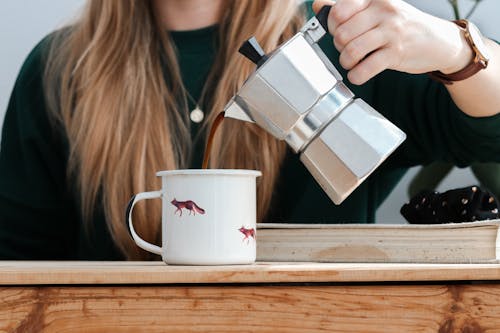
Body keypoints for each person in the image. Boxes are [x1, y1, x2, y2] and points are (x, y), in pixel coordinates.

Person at [0, 0, 499, 260]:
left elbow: (489, 134)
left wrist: (455, 49)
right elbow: (18, 266)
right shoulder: (61, 70)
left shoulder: (336, 42)